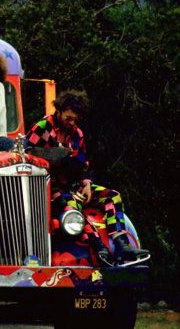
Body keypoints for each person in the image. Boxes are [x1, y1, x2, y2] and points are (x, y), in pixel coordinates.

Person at [25, 90, 150, 266]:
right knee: (72, 205)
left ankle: (122, 245)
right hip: (49, 187)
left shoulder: (77, 134)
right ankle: (98, 246)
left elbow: (83, 164)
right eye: (69, 118)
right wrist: (55, 155)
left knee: (112, 196)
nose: (72, 123)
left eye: (75, 120)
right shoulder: (43, 126)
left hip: (74, 185)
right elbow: (27, 152)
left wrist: (86, 184)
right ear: (59, 111)